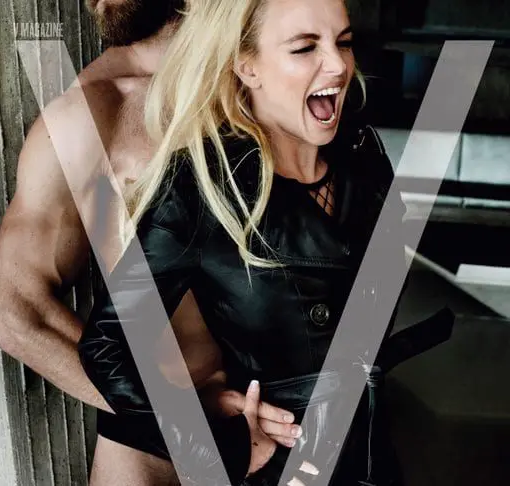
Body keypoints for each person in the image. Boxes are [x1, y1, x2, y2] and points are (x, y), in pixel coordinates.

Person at [76, 0, 428, 484]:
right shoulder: (200, 186)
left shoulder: (362, 154)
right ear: (247, 65)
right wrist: (216, 447)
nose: (338, 65)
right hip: (282, 467)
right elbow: (106, 347)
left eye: (343, 42)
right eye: (304, 48)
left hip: (369, 455)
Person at [0, 1, 298, 485]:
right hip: (159, 461)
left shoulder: (280, 75)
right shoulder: (94, 113)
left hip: (296, 426)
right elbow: (13, 305)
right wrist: (178, 416)